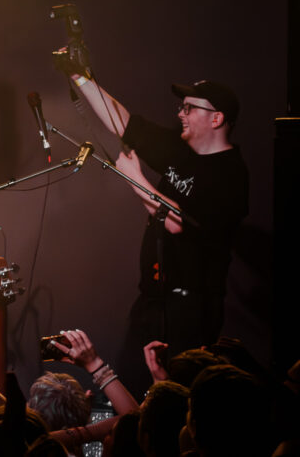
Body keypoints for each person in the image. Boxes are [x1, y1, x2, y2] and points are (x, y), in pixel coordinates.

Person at [58, 67, 249, 378]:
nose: (180, 114)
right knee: (135, 384)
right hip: (154, 299)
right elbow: (125, 123)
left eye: (189, 108)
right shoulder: (181, 151)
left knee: (178, 387)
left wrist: (134, 177)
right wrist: (81, 78)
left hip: (191, 309)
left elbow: (178, 223)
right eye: (181, 107)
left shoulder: (231, 175)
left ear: (216, 118)